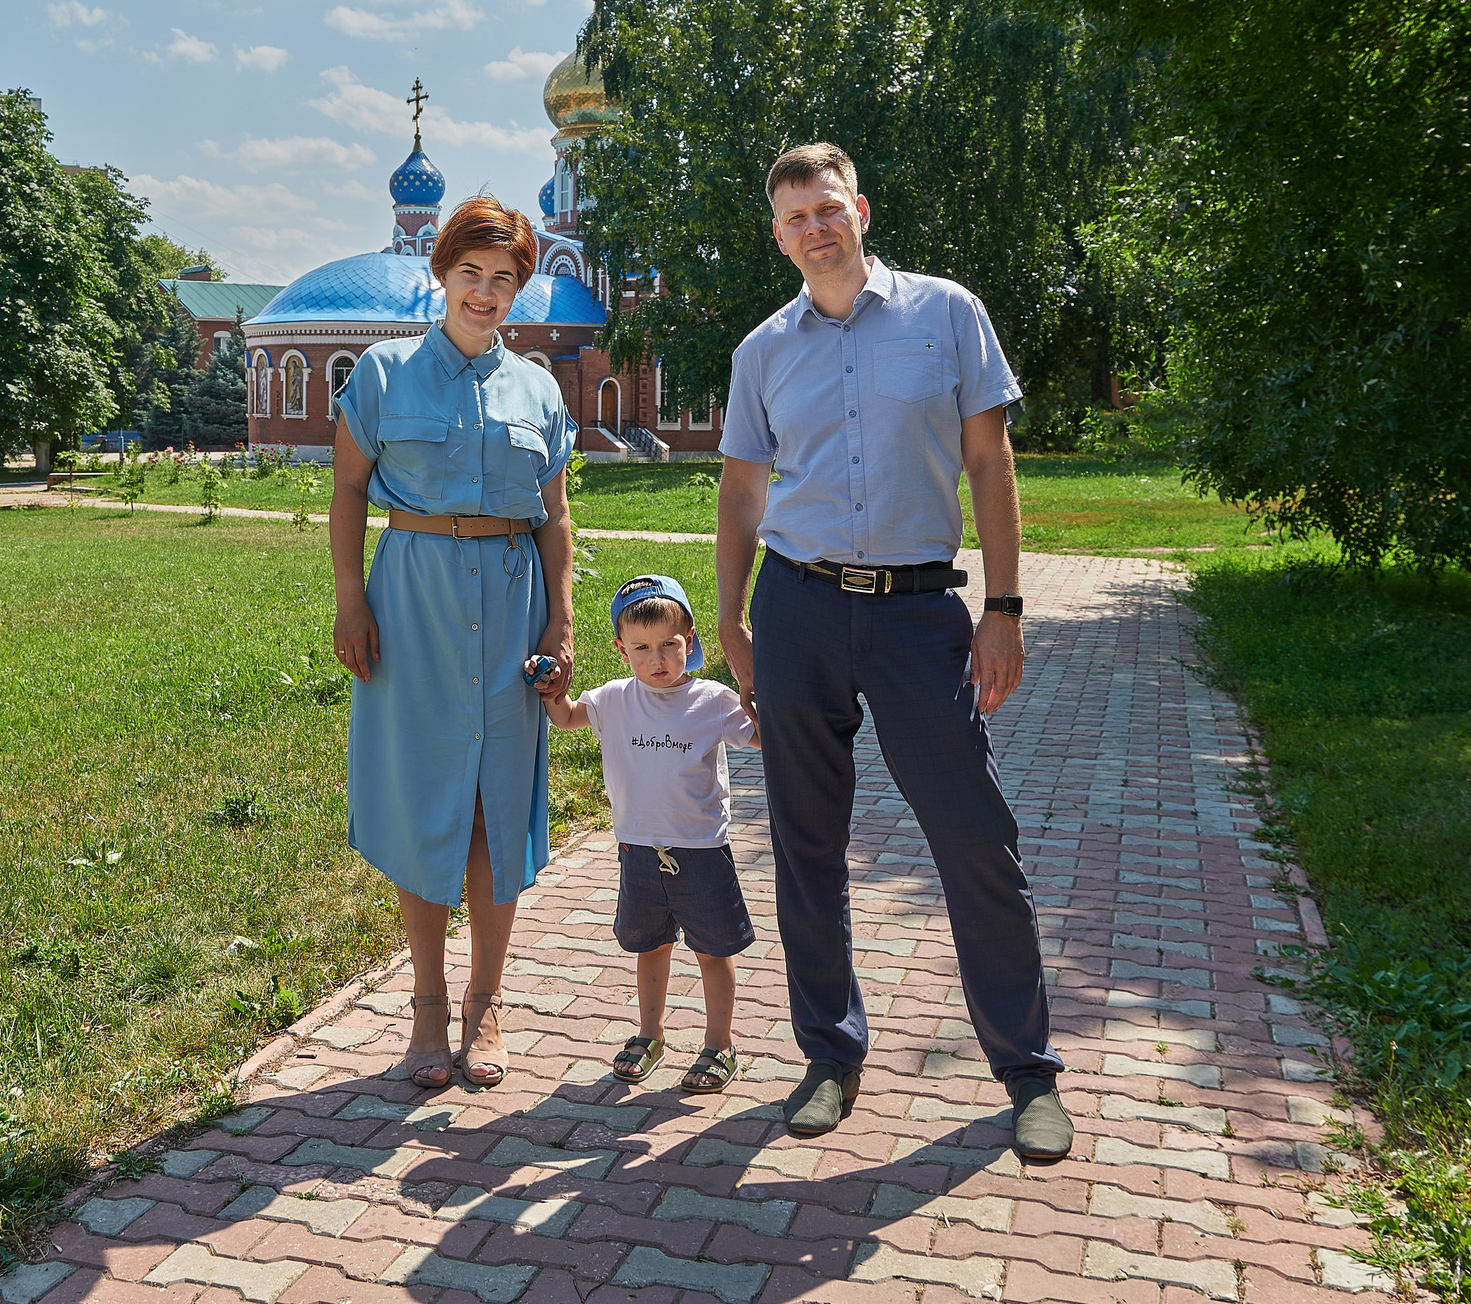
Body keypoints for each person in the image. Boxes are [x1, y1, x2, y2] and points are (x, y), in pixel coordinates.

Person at [712, 142, 1071, 1159]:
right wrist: (732, 620)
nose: (814, 229)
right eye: (793, 218)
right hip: (796, 609)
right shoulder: (762, 351)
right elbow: (741, 494)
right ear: (777, 236)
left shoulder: (945, 313)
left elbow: (988, 458)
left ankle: (1027, 1070)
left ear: (858, 209)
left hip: (920, 613)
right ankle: (829, 1053)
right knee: (805, 841)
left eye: (826, 209)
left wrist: (1002, 605)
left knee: (973, 835)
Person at [330, 196, 578, 1090]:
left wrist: (562, 620)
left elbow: (554, 517)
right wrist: (350, 596)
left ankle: (488, 1003)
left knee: (495, 807)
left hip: (512, 608)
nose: (485, 292)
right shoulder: (385, 374)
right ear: (443, 274)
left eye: (503, 278)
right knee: (425, 798)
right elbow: (350, 490)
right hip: (413, 606)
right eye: (470, 273)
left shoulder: (538, 388)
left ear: (518, 288)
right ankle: (427, 1006)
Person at [536, 574, 757, 1094]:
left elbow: (763, 736)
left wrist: (761, 689)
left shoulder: (713, 699)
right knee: (650, 946)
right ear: (621, 648)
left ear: (690, 640)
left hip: (702, 849)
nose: (657, 658)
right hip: (637, 849)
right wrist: (552, 688)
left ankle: (719, 1043)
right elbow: (567, 718)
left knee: (713, 950)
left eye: (669, 645)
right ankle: (650, 1033)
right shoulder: (614, 699)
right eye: (641, 648)